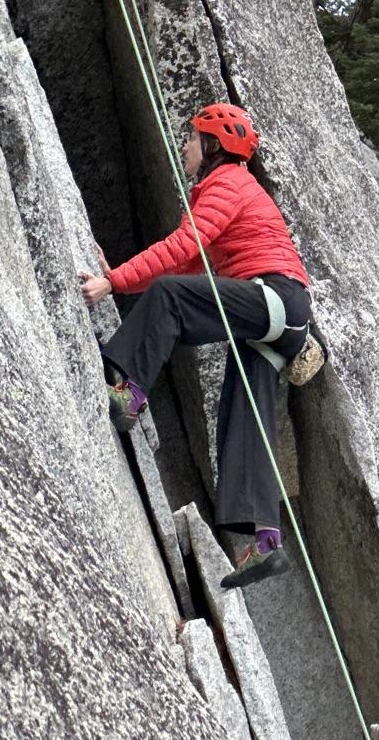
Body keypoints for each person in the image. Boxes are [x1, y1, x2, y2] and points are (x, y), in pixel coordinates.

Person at [80, 103, 316, 591]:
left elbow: (182, 251)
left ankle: (131, 391)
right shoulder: (232, 188)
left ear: (213, 146)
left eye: (191, 138)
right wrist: (121, 281)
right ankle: (265, 543)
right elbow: (196, 271)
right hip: (283, 314)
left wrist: (112, 281)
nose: (184, 146)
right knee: (242, 413)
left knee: (169, 297)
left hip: (273, 297)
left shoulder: (227, 184)